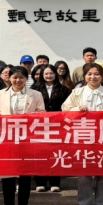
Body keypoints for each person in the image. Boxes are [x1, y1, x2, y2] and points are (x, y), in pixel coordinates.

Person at [62, 63, 103, 205]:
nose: (93, 77)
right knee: (84, 173)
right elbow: (65, 110)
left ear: (102, 77)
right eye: (89, 74)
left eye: (96, 74)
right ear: (84, 76)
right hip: (84, 137)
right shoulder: (77, 92)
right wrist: (78, 110)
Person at [0, 66, 46, 205]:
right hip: (7, 138)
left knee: (25, 174)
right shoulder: (1, 93)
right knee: (7, 173)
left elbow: (42, 113)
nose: (18, 80)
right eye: (15, 77)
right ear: (9, 78)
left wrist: (27, 119)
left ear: (26, 79)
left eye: (21, 78)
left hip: (27, 138)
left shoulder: (35, 94)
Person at [31, 64, 71, 192]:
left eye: (51, 73)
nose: (49, 76)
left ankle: (55, 182)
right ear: (42, 75)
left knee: (55, 153)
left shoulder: (64, 89)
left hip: (57, 126)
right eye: (46, 74)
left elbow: (67, 107)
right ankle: (40, 182)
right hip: (39, 126)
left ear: (56, 74)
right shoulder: (34, 89)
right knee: (39, 154)